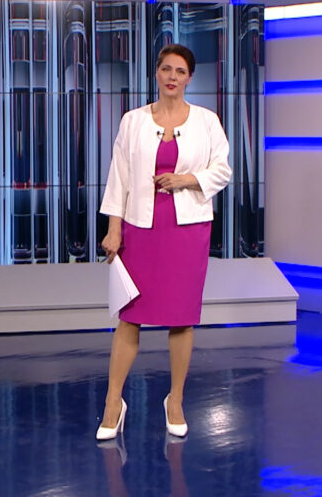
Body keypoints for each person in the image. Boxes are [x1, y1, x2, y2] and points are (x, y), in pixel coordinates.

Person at [95, 43, 231, 440]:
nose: (173, 76)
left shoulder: (207, 121)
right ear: (157, 73)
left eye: (180, 71)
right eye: (167, 69)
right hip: (140, 228)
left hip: (187, 230)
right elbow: (118, 177)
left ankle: (176, 400)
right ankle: (113, 402)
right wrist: (114, 228)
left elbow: (222, 170)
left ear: (190, 78)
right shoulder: (133, 121)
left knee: (181, 317)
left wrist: (187, 179)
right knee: (129, 316)